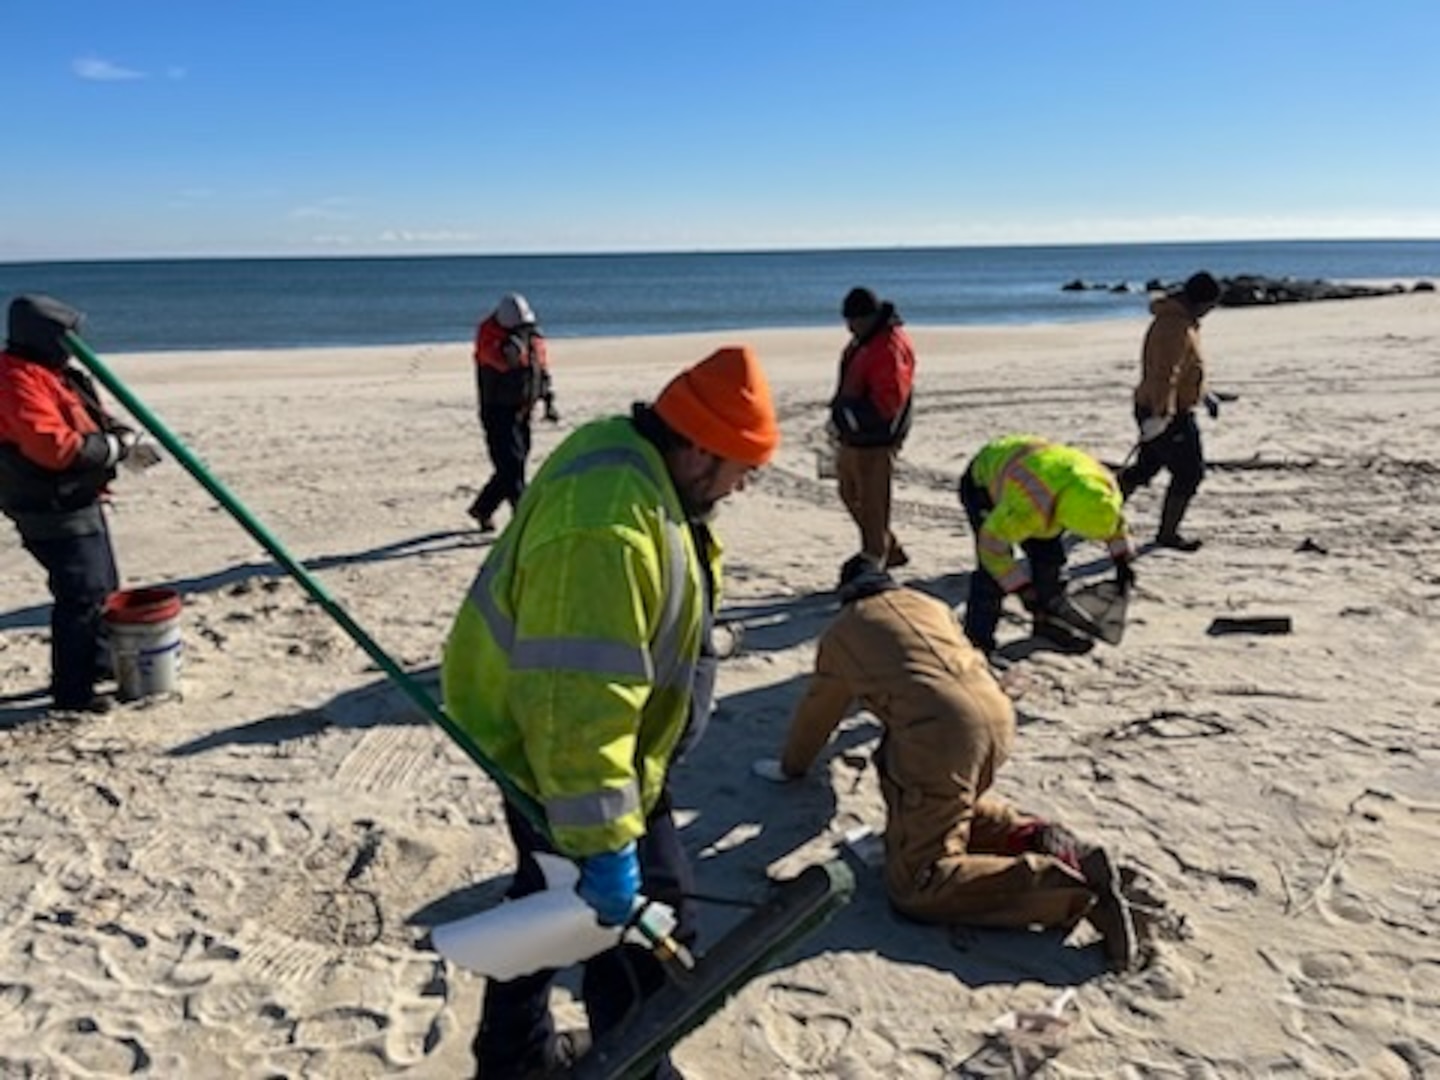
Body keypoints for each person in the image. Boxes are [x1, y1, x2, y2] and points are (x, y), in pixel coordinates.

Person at [441, 345, 780, 1079]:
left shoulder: (634, 459)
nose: (742, 487)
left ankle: (513, 1060)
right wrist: (603, 839)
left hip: (604, 753)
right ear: (696, 448)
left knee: (552, 902)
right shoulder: (607, 529)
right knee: (637, 932)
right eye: (739, 470)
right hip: (556, 755)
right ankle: (630, 1068)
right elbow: (575, 701)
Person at [752, 555, 1137, 971]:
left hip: (942, 734)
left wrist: (792, 767)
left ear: (844, 597)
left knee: (918, 883)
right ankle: (1031, 834)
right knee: (938, 794)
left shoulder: (844, 631)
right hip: (996, 715)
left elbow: (819, 711)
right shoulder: (929, 604)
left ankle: (1068, 888)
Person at [0, 295, 140, 713]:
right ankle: (73, 694)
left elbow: (90, 415)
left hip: (80, 495)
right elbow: (53, 448)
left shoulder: (57, 373)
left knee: (103, 584)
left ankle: (98, 665)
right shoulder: (14, 378)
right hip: (49, 503)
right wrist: (113, 449)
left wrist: (123, 436)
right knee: (81, 592)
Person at [959, 434, 1135, 657]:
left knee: (1050, 561)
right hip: (984, 482)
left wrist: (1122, 560)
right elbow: (992, 549)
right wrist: (1021, 589)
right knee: (991, 578)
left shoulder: (1101, 490)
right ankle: (978, 643)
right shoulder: (1028, 507)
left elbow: (1114, 523)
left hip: (1043, 474)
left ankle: (1049, 626)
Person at [1118, 271, 1222, 551]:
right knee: (1190, 473)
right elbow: (1164, 375)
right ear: (1201, 302)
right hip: (1165, 412)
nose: (1211, 312)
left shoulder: (1185, 322)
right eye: (1211, 306)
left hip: (1164, 408)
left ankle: (1100, 511)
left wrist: (1204, 395)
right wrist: (1161, 415)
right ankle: (1167, 535)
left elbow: (1187, 369)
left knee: (1145, 468)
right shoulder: (1173, 327)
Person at [829, 286, 916, 571]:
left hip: (876, 436)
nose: (848, 327)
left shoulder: (887, 346)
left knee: (872, 499)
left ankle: (875, 556)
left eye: (852, 320)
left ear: (867, 317)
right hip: (855, 433)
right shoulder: (864, 341)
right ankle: (888, 548)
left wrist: (853, 417)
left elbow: (888, 401)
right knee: (848, 490)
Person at [466, 292, 559, 532]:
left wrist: (548, 399)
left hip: (523, 408)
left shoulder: (531, 335)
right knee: (511, 466)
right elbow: (500, 362)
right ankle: (525, 519)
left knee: (515, 463)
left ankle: (483, 508)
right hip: (497, 410)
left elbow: (541, 368)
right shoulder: (488, 338)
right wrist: (510, 351)